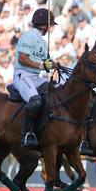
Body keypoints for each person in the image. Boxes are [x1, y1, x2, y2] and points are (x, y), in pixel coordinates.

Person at [13, 8, 57, 147]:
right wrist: (42, 65)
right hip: (23, 75)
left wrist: (54, 64)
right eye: (50, 25)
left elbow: (46, 62)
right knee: (36, 101)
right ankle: (27, 134)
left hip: (36, 77)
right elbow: (22, 59)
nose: (50, 28)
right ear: (45, 25)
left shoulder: (43, 42)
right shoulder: (29, 36)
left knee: (53, 92)